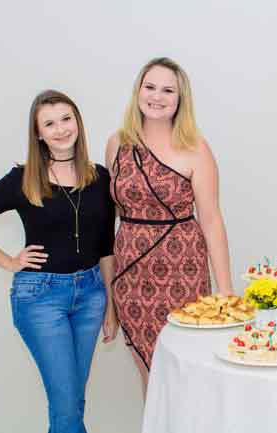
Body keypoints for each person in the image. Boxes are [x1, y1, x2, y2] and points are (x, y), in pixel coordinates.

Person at [0, 89, 118, 433]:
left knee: (72, 401)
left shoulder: (99, 177)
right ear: (38, 133)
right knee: (66, 405)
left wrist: (111, 306)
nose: (61, 129)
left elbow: (106, 246)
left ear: (78, 122)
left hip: (91, 295)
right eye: (49, 123)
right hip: (41, 297)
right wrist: (9, 261)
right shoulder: (24, 178)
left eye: (66, 119)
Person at [106, 57, 233, 393]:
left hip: (183, 272)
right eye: (150, 87)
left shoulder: (195, 148)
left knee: (184, 374)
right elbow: (113, 211)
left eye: (167, 90)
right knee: (149, 374)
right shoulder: (117, 143)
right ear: (138, 92)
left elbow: (211, 219)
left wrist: (226, 291)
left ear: (180, 99)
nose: (157, 96)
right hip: (131, 275)